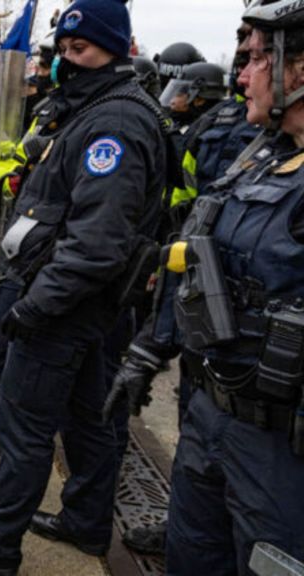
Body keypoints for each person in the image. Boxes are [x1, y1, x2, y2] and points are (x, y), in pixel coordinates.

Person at [0, 0, 167, 572]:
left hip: (68, 304)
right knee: (87, 419)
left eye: (80, 50)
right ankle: (86, 522)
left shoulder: (116, 121)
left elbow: (98, 240)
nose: (66, 61)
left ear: (118, 49)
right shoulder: (98, 109)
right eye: (63, 49)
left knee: (25, 425)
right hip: (83, 302)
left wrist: (36, 306)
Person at [107, 2, 304, 570]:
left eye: (258, 59)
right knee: (190, 554)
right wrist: (149, 349)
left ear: (300, 68)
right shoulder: (257, 157)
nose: (241, 75)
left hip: (280, 453)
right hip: (210, 416)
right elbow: (199, 261)